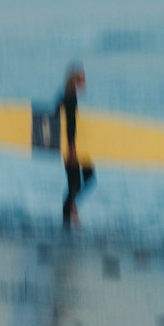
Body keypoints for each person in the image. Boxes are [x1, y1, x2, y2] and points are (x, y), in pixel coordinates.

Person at [59, 63, 95, 227]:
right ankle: (66, 222)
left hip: (77, 145)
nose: (84, 81)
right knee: (76, 183)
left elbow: (58, 116)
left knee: (86, 178)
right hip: (71, 147)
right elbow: (69, 124)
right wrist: (71, 148)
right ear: (74, 79)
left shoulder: (67, 95)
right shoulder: (69, 96)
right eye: (81, 78)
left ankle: (71, 208)